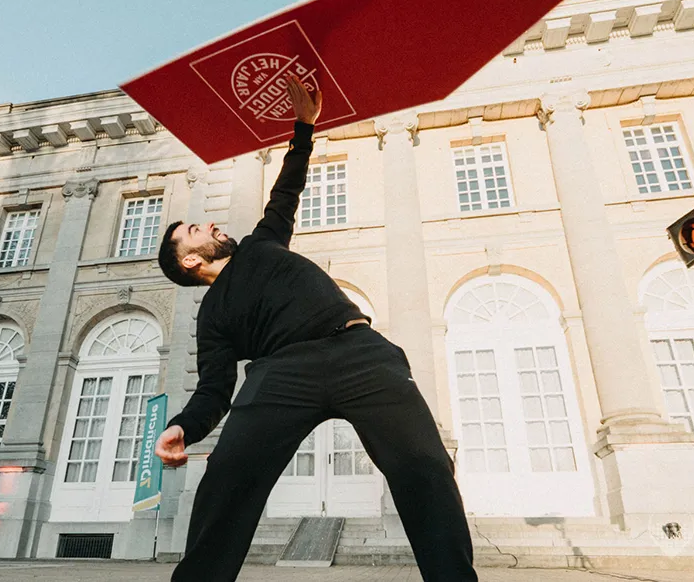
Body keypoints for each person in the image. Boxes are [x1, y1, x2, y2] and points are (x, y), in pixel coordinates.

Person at [155, 74, 477, 581]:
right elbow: (214, 389)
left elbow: (287, 190)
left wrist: (304, 126)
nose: (212, 225)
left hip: (360, 353)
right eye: (197, 230)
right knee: (227, 478)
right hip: (282, 374)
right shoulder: (212, 314)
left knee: (426, 466)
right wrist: (184, 427)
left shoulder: (262, 242)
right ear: (191, 259)